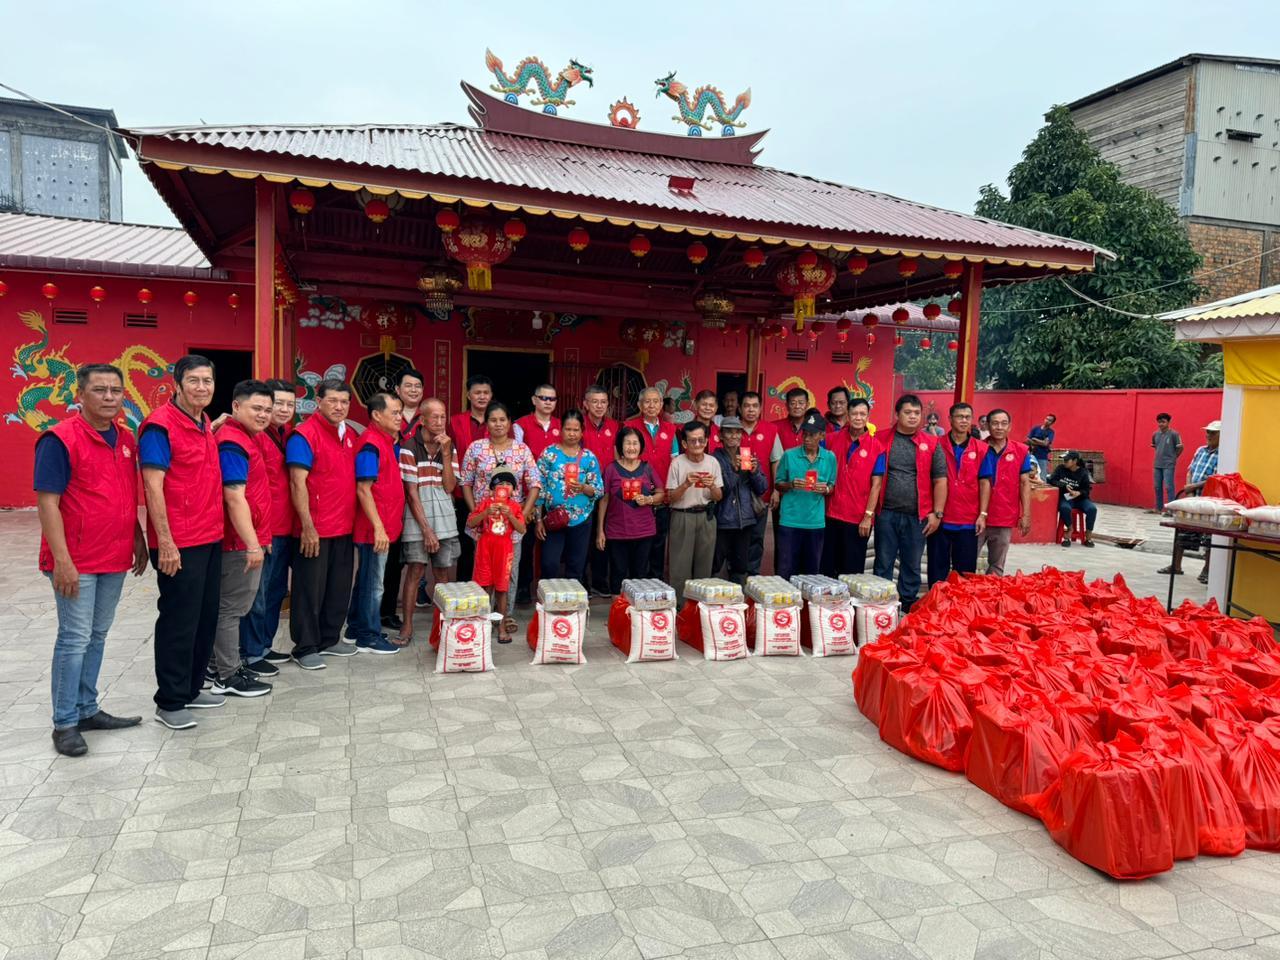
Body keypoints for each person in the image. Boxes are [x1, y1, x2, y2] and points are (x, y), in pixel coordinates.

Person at [35, 363, 148, 756]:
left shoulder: (126, 438)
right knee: (74, 638)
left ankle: (87, 708)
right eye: (99, 390)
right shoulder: (60, 439)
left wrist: (137, 535)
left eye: (116, 390)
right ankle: (65, 722)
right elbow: (47, 503)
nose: (109, 397)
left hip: (114, 554)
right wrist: (62, 560)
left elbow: (122, 493)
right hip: (75, 560)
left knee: (96, 636)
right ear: (80, 394)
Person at [139, 354, 226, 729]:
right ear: (177, 383)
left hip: (209, 535)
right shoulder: (159, 426)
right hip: (180, 541)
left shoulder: (204, 420)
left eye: (207, 381)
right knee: (178, 619)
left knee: (205, 617)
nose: (202, 387)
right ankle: (170, 700)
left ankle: (191, 688)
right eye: (194, 381)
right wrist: (166, 542)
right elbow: (153, 486)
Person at [208, 380, 274, 700]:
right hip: (236, 543)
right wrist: (252, 543)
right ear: (236, 406)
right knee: (231, 609)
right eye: (256, 408)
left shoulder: (245, 437)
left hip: (246, 539)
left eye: (267, 410)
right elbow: (234, 497)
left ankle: (218, 666)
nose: (263, 415)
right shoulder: (233, 442)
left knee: (231, 607)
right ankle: (229, 675)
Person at [286, 378, 358, 670]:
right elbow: (296, 481)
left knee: (339, 586)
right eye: (332, 401)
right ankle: (305, 646)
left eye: (344, 402)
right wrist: (307, 526)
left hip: (344, 525)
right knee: (308, 590)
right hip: (314, 528)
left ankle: (330, 637)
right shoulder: (304, 435)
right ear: (318, 402)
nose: (339, 407)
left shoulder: (349, 434)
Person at [459, 403, 542, 622]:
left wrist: (522, 514)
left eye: (502, 420)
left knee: (509, 571)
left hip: (512, 524)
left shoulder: (521, 449)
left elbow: (535, 483)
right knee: (484, 571)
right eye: (493, 420)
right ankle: (485, 617)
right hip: (484, 525)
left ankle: (506, 617)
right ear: (486, 423)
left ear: (509, 422)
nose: (498, 424)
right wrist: (475, 512)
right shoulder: (476, 448)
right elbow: (466, 483)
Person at [240, 379, 297, 676]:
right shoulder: (255, 437)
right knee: (257, 594)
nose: (284, 410)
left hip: (285, 526)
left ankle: (263, 644)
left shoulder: (284, 434)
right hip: (265, 529)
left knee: (275, 591)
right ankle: (249, 652)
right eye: (279, 404)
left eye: (290, 404)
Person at [872, 394, 947, 612]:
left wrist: (937, 513)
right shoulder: (881, 438)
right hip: (885, 512)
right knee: (883, 561)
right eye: (908, 412)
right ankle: (880, 606)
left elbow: (940, 479)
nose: (913, 417)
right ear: (897, 414)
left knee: (912, 564)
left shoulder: (932, 443)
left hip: (918, 515)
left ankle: (906, 604)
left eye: (917, 413)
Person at [347, 393, 406, 655]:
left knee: (366, 579)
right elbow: (363, 489)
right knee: (374, 583)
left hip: (383, 526)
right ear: (376, 415)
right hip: (374, 529)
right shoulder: (371, 444)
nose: (399, 417)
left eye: (399, 412)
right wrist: (379, 527)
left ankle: (356, 627)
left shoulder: (384, 441)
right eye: (394, 412)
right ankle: (368, 636)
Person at [399, 397, 459, 644]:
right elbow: (411, 494)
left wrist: (446, 454)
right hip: (418, 517)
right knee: (415, 570)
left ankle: (441, 626)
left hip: (444, 517)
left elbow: (449, 486)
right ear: (422, 420)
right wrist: (426, 530)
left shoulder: (449, 447)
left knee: (442, 573)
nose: (440, 421)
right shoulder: (409, 447)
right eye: (434, 417)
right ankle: (407, 627)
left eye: (443, 416)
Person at [380, 367, 427, 632]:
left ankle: (391, 610)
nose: (413, 390)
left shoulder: (427, 417)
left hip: (418, 492)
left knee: (409, 558)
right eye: (407, 386)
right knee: (387, 559)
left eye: (417, 386)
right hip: (392, 494)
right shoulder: (390, 416)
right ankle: (380, 612)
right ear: (397, 389)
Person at [927, 403, 992, 585]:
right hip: (941, 518)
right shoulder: (936, 445)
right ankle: (935, 607)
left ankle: (960, 610)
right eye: (959, 417)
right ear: (950, 419)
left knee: (964, 574)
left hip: (967, 519)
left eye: (967, 417)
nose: (964, 421)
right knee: (936, 570)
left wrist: (983, 514)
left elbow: (985, 482)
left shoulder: (981, 449)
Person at [535, 409, 602, 583]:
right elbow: (538, 488)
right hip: (554, 518)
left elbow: (598, 489)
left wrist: (584, 488)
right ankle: (546, 606)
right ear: (561, 429)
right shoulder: (549, 454)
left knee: (576, 566)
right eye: (568, 429)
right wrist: (538, 520)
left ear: (582, 431)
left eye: (576, 430)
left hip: (581, 519)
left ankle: (572, 608)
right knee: (549, 564)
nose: (572, 434)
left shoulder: (589, 458)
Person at [822, 397, 885, 577]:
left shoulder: (877, 447)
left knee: (851, 571)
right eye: (854, 413)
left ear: (868, 416)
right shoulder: (831, 439)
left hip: (857, 518)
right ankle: (825, 606)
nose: (858, 417)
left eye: (862, 414)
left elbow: (876, 485)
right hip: (829, 514)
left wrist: (868, 516)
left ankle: (848, 605)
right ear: (847, 415)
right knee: (827, 568)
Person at [597, 427, 665, 593]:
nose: (631, 447)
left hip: (644, 531)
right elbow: (604, 499)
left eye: (635, 443)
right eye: (627, 443)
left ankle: (637, 616)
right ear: (620, 446)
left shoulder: (647, 468)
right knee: (617, 574)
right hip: (617, 531)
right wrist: (600, 531)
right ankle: (617, 615)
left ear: (641, 446)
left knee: (640, 575)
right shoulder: (611, 469)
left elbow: (661, 493)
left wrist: (648, 499)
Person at [774, 410, 837, 579]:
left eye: (812, 435)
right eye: (805, 434)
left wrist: (825, 489)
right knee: (786, 570)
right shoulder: (789, 455)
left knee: (811, 572)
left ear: (822, 436)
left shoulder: (829, 458)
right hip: (790, 520)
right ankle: (786, 605)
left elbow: (832, 486)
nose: (807, 438)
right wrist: (791, 484)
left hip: (815, 523)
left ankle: (807, 606)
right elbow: (778, 484)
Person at [665, 421, 724, 600]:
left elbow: (719, 496)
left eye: (701, 440)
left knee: (704, 566)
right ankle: (680, 609)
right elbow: (671, 497)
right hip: (682, 517)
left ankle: (700, 610)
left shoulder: (713, 462)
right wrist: (686, 484)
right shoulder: (677, 463)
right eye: (692, 441)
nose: (697, 445)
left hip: (706, 516)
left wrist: (712, 485)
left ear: (706, 441)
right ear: (684, 444)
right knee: (679, 567)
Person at [513, 384, 561, 603]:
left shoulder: (562, 426)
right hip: (528, 495)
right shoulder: (520, 426)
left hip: (554, 496)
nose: (548, 402)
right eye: (543, 398)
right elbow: (516, 459)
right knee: (527, 541)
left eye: (552, 399)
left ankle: (548, 587)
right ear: (534, 400)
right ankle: (524, 586)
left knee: (550, 543)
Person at [625, 387, 678, 578]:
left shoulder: (670, 429)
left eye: (656, 401)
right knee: (638, 541)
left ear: (662, 405)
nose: (651, 405)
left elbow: (675, 461)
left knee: (658, 540)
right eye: (647, 401)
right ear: (639, 405)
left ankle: (656, 579)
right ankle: (636, 581)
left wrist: (671, 490)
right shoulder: (629, 426)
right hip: (636, 493)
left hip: (662, 493)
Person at [467, 471, 526, 641]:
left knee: (502, 588)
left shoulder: (514, 507)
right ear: (492, 490)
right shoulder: (485, 504)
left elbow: (521, 529)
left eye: (508, 485)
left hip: (505, 550)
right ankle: (483, 625)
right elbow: (471, 523)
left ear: (513, 490)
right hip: (485, 549)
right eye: (500, 486)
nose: (504, 488)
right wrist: (485, 513)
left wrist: (508, 515)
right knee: (484, 587)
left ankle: (501, 626)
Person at [1160, 420, 1220, 583]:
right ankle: (1176, 566)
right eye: (1207, 432)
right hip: (1193, 496)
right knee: (1182, 529)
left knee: (1209, 536)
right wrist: (1189, 486)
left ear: (1221, 435)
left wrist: (1194, 485)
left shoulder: (1222, 454)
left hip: (1209, 499)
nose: (1208, 435)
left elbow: (1216, 478)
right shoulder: (1201, 450)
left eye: (1212, 433)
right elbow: (1190, 469)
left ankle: (1207, 570)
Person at [711, 417, 768, 585]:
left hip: (745, 520)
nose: (733, 436)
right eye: (729, 432)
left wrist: (755, 472)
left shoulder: (747, 455)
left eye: (737, 432)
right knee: (714, 565)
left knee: (740, 567)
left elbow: (762, 488)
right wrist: (734, 471)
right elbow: (721, 492)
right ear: (720, 435)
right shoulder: (714, 458)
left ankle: (737, 605)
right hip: (722, 520)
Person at [448, 375, 494, 580]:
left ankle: (488, 592)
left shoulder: (498, 421)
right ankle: (464, 593)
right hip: (462, 493)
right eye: (477, 393)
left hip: (491, 496)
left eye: (486, 393)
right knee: (466, 547)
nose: (482, 397)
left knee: (491, 545)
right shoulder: (456, 422)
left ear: (491, 395)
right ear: (469, 395)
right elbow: (448, 454)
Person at [978, 409, 1033, 576]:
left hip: (1004, 514)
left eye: (1003, 423)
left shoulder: (1021, 450)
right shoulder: (978, 448)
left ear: (1009, 426)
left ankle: (991, 597)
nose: (999, 427)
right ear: (987, 425)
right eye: (994, 423)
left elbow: (1025, 483)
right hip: (977, 514)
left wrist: (1026, 515)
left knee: (997, 565)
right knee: (965, 560)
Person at [737, 390, 782, 575]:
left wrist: (776, 490)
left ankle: (753, 577)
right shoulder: (731, 428)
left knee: (756, 538)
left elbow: (776, 460)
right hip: (736, 495)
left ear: (760, 408)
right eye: (747, 406)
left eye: (755, 406)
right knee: (737, 538)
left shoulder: (770, 430)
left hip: (760, 496)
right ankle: (736, 578)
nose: (751, 410)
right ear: (740, 408)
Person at [580, 385, 619, 597]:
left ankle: (600, 580)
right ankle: (583, 580)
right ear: (585, 404)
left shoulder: (614, 426)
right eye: (594, 401)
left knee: (604, 535)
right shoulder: (579, 425)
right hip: (583, 490)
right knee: (585, 536)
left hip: (608, 491)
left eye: (603, 402)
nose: (599, 406)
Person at [1047, 451, 1096, 547]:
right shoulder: (1060, 469)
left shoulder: (1083, 472)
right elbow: (1052, 480)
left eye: (1066, 460)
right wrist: (1065, 486)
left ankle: (1088, 534)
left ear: (1075, 461)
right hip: (1066, 497)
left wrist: (1079, 493)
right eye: (1064, 460)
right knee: (1064, 508)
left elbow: (1087, 489)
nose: (1064, 461)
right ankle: (1070, 528)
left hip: (1080, 499)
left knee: (1092, 509)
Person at [1151, 412, 1183, 513]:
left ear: (1169, 422)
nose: (1161, 424)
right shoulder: (1155, 434)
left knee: (1169, 486)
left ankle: (1171, 510)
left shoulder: (1174, 434)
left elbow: (1180, 448)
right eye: (1159, 422)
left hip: (1169, 464)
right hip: (1157, 464)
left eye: (1163, 422)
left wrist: (1173, 458)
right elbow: (1156, 447)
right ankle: (1158, 508)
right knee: (1157, 486)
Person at [772, 387, 810, 452]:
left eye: (801, 403)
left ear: (807, 405)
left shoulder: (815, 427)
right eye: (793, 403)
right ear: (786, 405)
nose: (797, 406)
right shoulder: (774, 427)